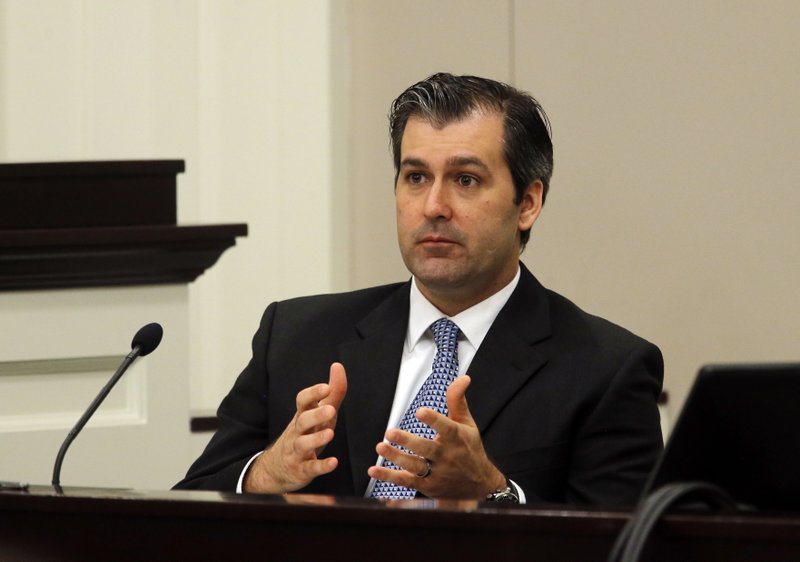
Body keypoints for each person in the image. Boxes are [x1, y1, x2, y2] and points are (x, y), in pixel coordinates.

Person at [175, 73, 663, 505]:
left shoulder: (605, 370)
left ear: (528, 203)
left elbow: (624, 546)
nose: (433, 206)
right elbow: (182, 511)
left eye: (466, 180)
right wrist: (263, 475)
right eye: (415, 177)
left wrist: (493, 492)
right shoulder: (294, 336)